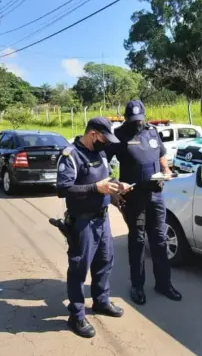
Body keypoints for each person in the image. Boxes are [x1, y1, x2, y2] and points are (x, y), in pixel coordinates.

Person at [56, 117, 129, 338]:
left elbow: (105, 179)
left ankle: (101, 301)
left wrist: (116, 187)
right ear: (93, 134)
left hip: (102, 219)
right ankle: (76, 315)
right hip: (83, 222)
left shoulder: (101, 153)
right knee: (79, 269)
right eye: (104, 138)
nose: (107, 143)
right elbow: (63, 189)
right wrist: (96, 188)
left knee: (105, 262)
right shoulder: (71, 155)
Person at [107, 100, 181, 306]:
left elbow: (161, 154)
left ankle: (164, 284)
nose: (136, 123)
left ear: (144, 117)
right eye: (132, 120)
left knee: (159, 240)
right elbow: (103, 161)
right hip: (134, 198)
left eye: (139, 120)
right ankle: (137, 286)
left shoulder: (151, 132)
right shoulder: (119, 135)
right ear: (126, 118)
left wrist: (165, 171)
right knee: (137, 242)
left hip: (156, 195)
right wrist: (114, 184)